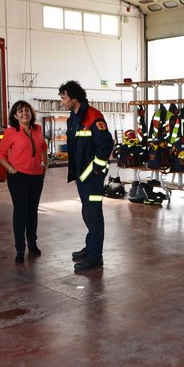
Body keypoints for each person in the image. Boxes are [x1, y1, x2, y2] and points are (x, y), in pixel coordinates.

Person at [58, 80, 113, 272]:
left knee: (93, 214)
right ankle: (90, 247)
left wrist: (96, 171)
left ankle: (95, 257)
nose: (62, 101)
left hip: (93, 177)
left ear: (74, 98)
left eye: (64, 98)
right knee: (87, 212)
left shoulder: (92, 116)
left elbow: (106, 145)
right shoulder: (74, 117)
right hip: (82, 176)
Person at [0, 100, 48, 263]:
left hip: (36, 176)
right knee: (21, 212)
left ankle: (32, 243)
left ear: (31, 113)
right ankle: (20, 248)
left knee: (32, 211)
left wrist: (44, 166)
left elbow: (43, 149)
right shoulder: (11, 132)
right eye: (20, 111)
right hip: (18, 177)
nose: (24, 113)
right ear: (15, 115)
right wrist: (11, 170)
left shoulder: (38, 129)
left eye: (27, 110)